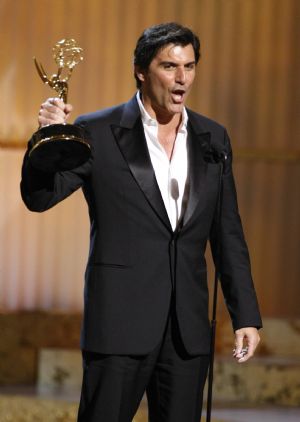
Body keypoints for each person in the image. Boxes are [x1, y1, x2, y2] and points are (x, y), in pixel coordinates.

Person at [21, 22, 262, 422]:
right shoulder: (98, 130)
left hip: (187, 332)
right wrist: (46, 140)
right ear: (141, 70)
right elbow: (40, 197)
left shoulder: (213, 138)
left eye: (189, 66)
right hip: (119, 326)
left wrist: (246, 316)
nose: (182, 78)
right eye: (169, 66)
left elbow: (227, 232)